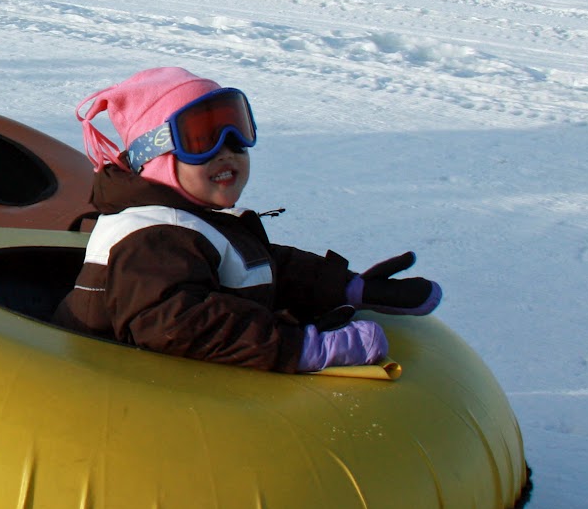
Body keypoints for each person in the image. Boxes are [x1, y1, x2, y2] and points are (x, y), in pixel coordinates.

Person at [55, 66, 441, 371]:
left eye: (237, 136)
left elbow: (263, 268)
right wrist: (299, 348)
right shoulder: (149, 237)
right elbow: (177, 324)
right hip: (113, 394)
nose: (227, 153)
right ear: (155, 158)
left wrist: (350, 288)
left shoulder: (193, 220)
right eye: (202, 141)